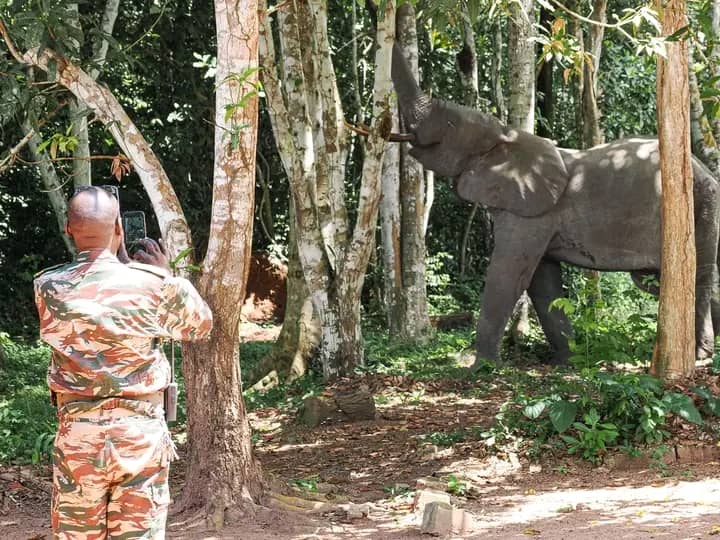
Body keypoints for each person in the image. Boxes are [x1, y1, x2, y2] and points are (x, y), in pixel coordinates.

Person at [33, 186, 213, 539]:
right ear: (119, 226)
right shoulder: (153, 285)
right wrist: (166, 275)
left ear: (69, 229)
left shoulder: (47, 287)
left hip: (78, 437)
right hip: (140, 436)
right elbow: (200, 325)